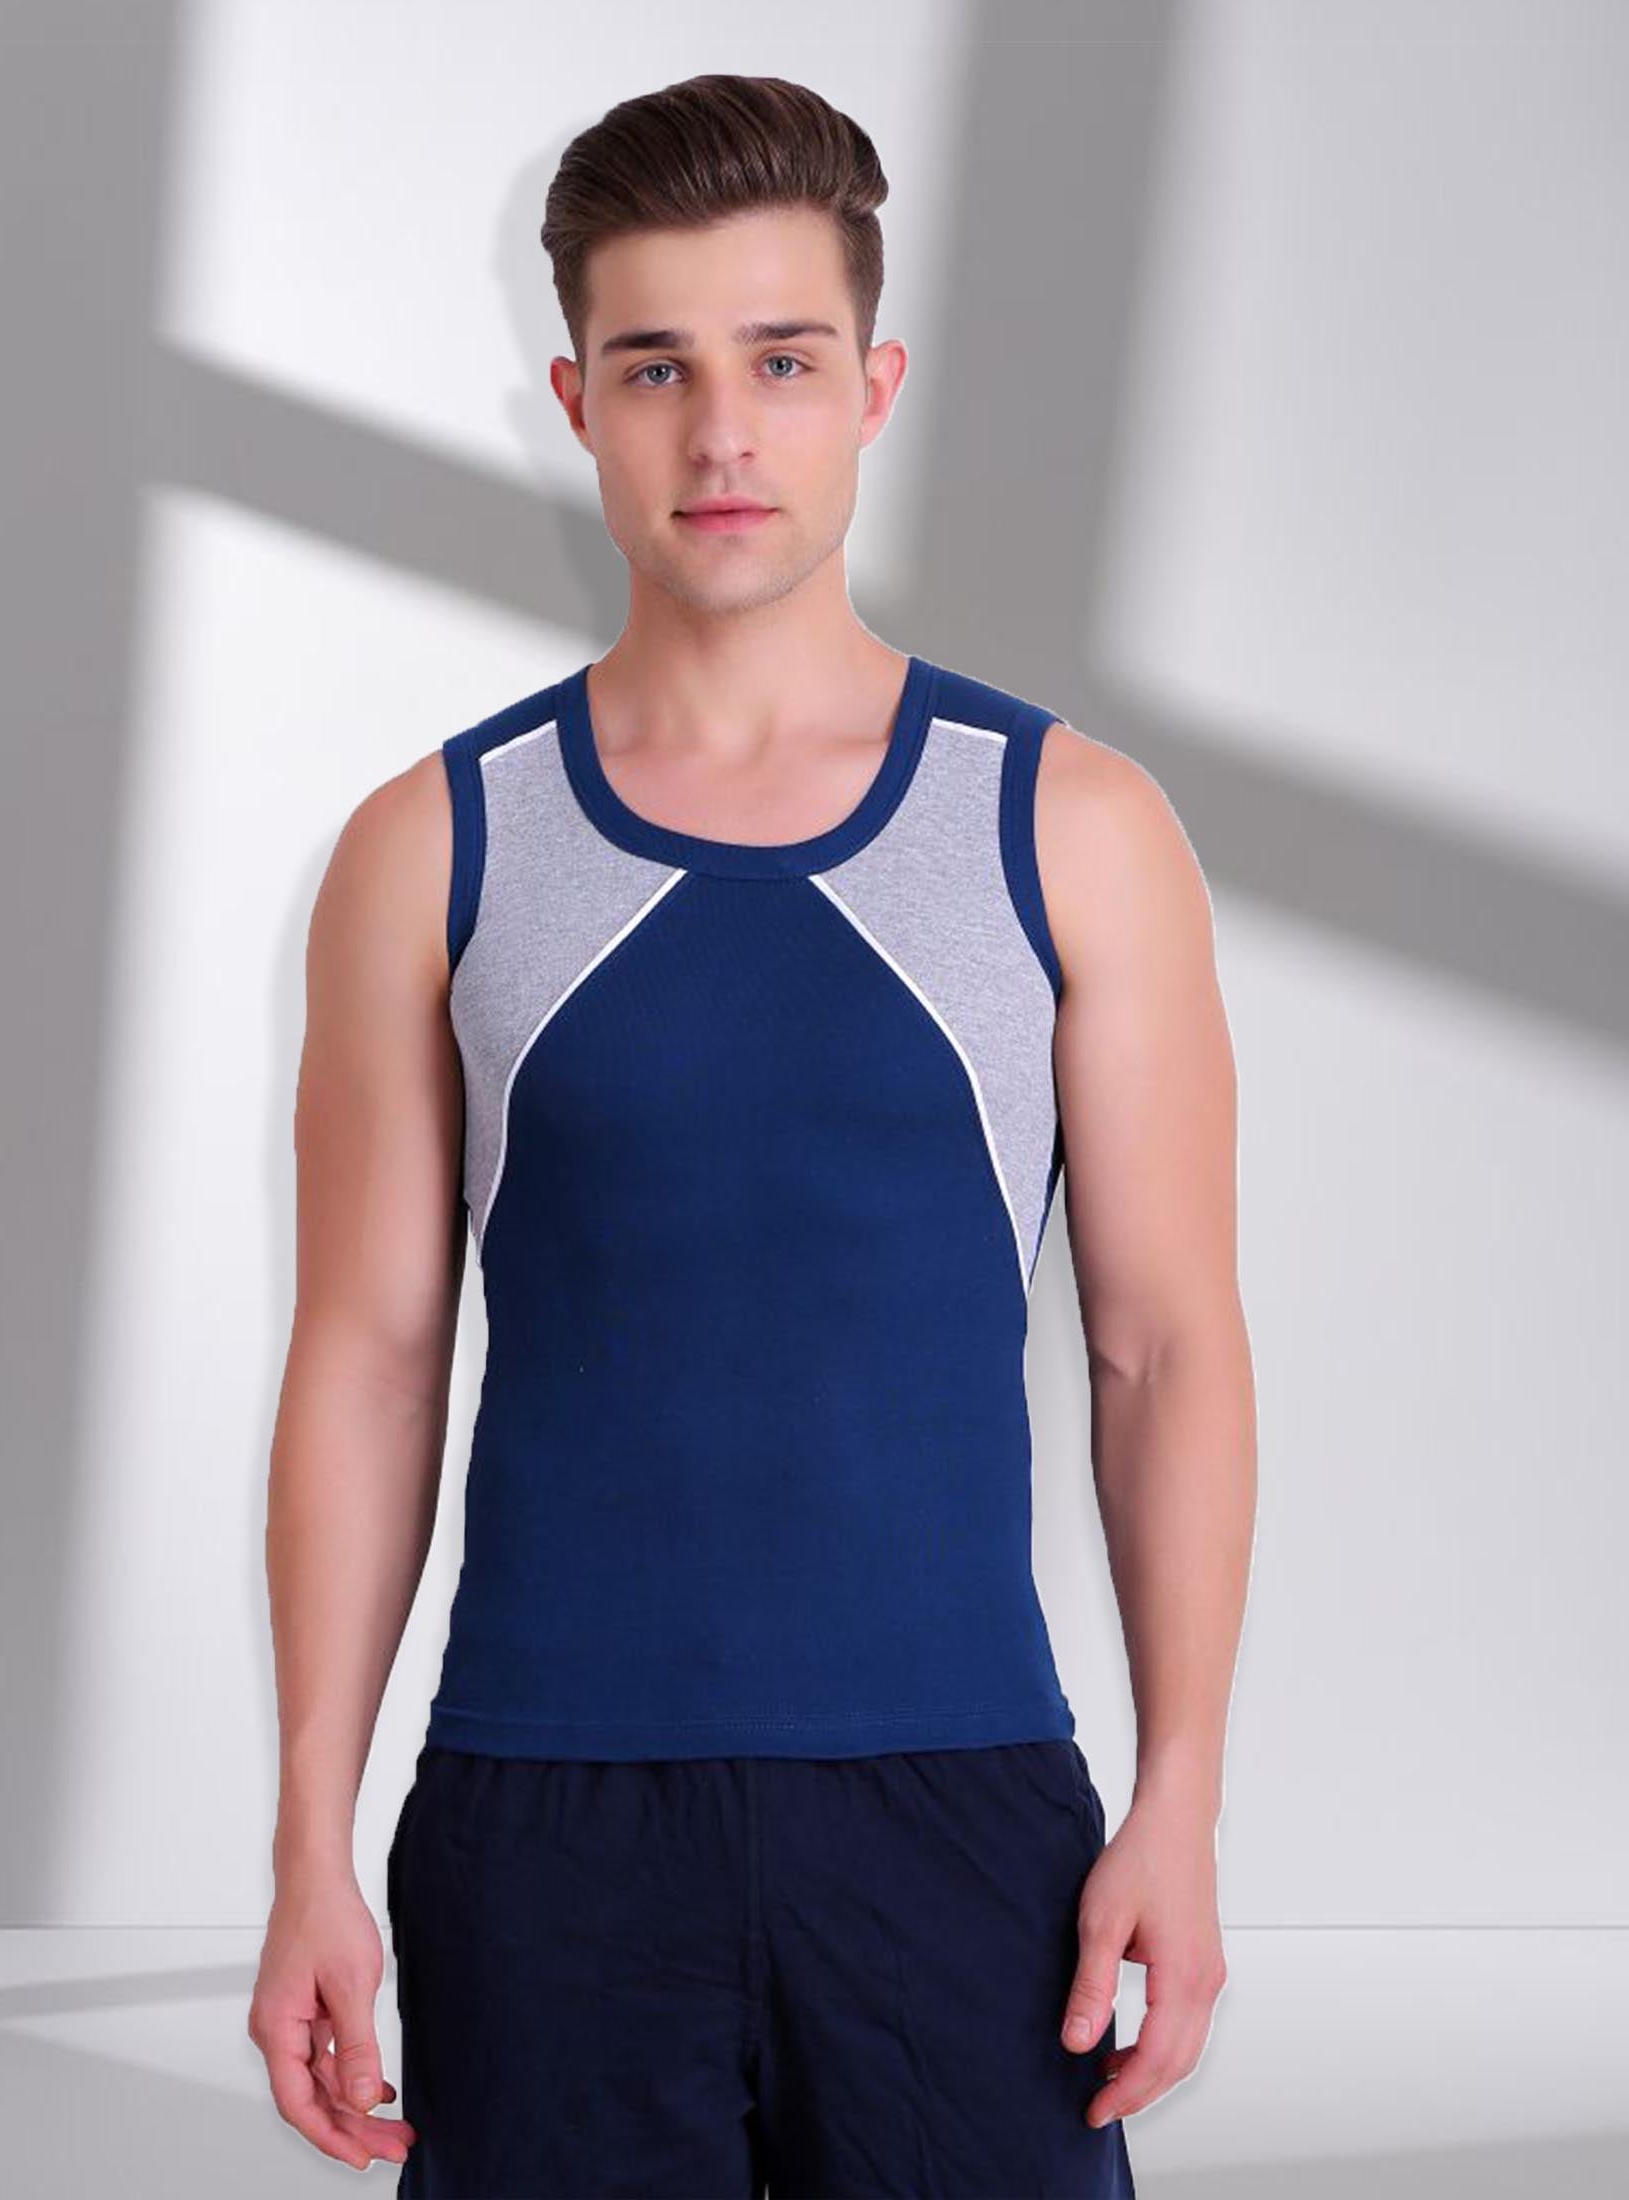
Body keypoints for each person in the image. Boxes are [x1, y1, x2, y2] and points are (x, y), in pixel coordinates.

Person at [248, 71, 1253, 2198]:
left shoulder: (1067, 827)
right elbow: (368, 1356)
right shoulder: (436, 847)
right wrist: (306, 1837)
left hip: (963, 1810)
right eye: (658, 370)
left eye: (782, 362)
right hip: (543, 1818)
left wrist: (1181, 1793)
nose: (723, 434)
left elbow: (1164, 1344)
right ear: (576, 403)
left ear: (873, 387)